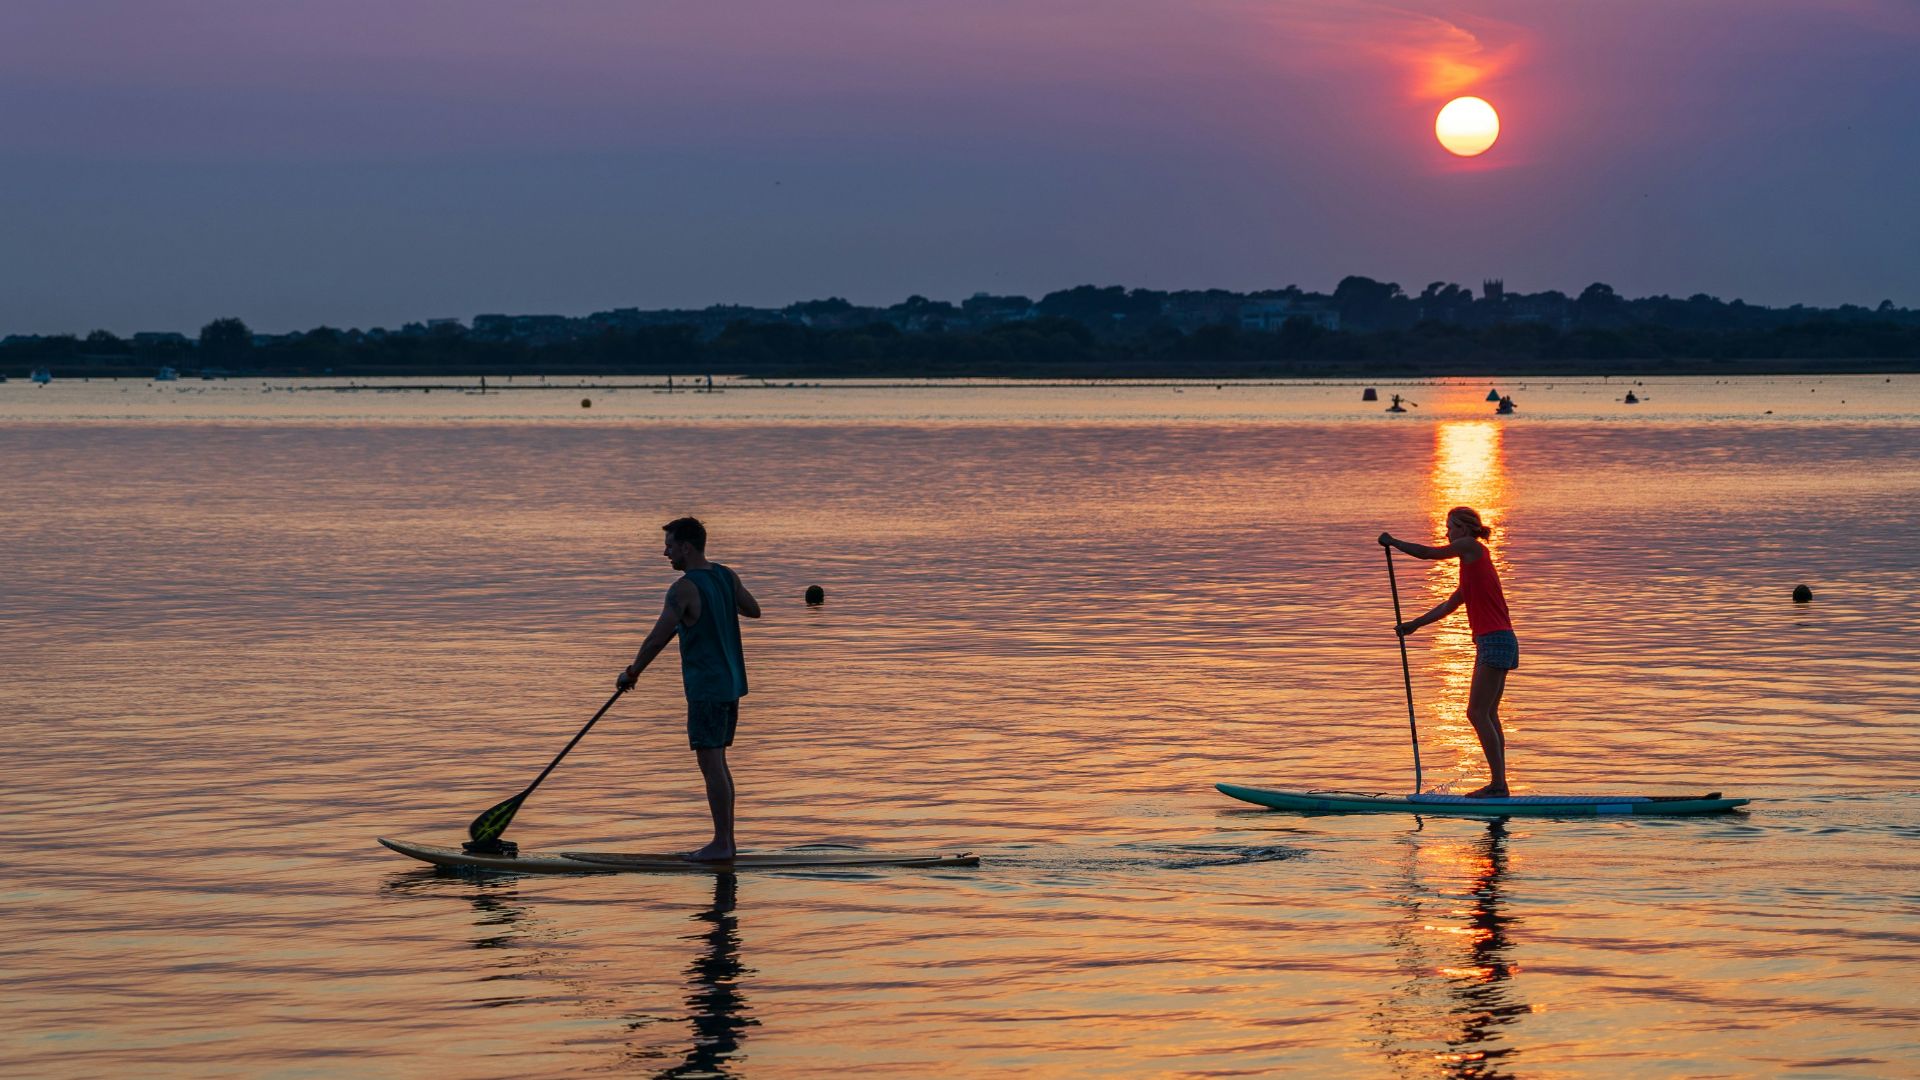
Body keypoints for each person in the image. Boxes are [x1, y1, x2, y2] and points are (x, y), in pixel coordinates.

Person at [618, 517, 761, 859]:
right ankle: (726, 841)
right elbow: (752, 610)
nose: (665, 552)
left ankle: (722, 844)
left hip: (707, 689)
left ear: (686, 546)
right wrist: (720, 604)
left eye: (669, 545)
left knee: (711, 765)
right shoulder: (726, 576)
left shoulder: (683, 588)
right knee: (719, 763)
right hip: (731, 686)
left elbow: (655, 639)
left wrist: (632, 673)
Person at [1378, 506, 1517, 798]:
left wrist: (1394, 542)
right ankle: (1499, 784)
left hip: (1495, 641)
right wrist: (1414, 625)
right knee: (1488, 713)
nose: (1446, 532)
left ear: (1464, 530)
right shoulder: (1472, 569)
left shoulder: (1470, 546)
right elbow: (1448, 606)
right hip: (1497, 641)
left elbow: (1428, 554)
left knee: (1476, 713)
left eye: (1450, 527)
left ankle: (1498, 786)